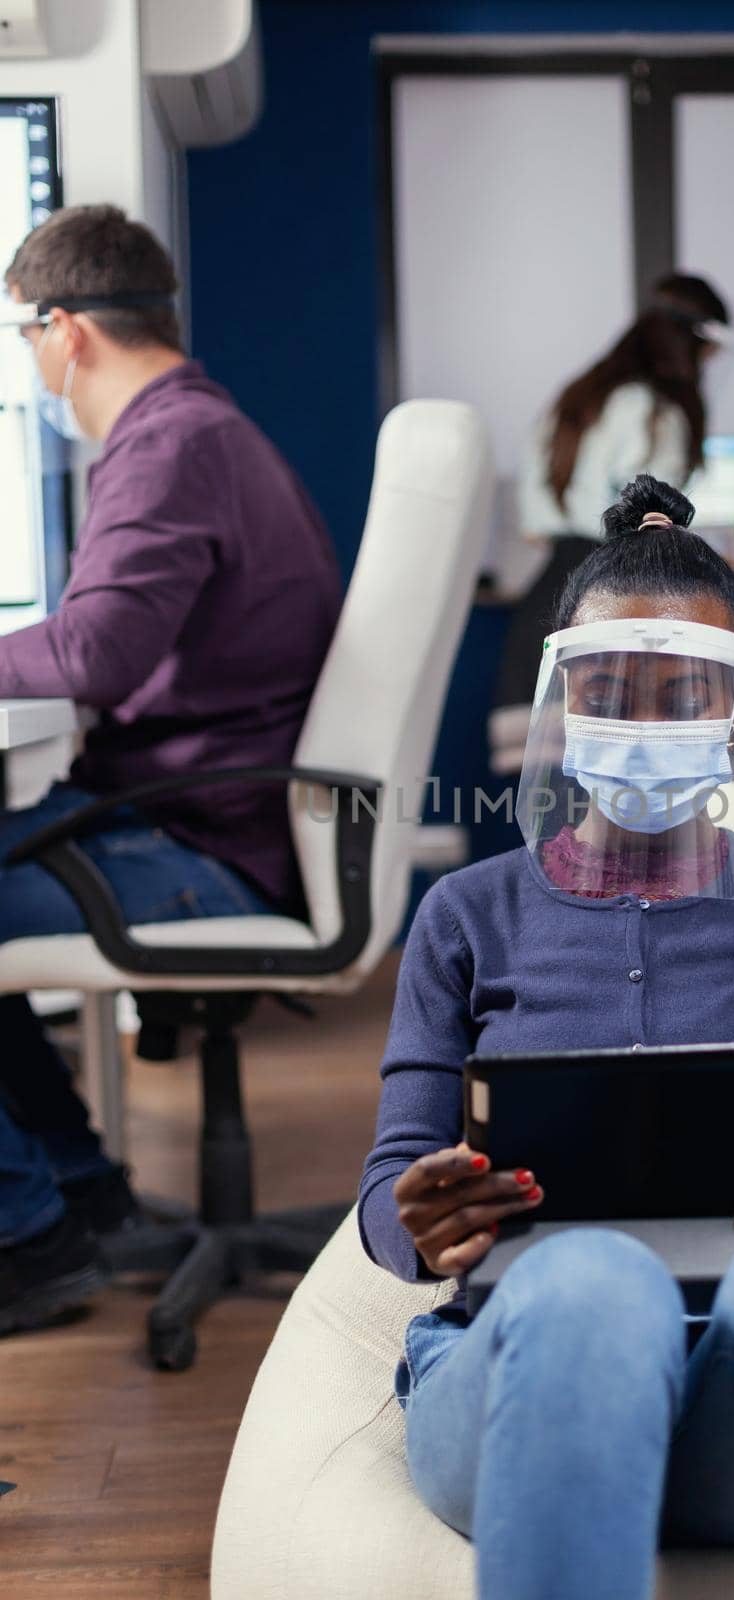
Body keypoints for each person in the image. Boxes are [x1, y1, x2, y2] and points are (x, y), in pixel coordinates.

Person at [359, 475, 734, 1600]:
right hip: (519, 1387)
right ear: (560, 693)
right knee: (591, 1281)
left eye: (683, 695)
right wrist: (421, 1226)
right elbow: (392, 1186)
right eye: (608, 691)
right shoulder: (465, 917)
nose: (642, 726)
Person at [0, 206, 341, 1334]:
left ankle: (29, 1234)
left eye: (25, 337)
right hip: (211, 818)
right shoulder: (207, 433)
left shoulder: (169, 444)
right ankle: (80, 1200)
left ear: (66, 333)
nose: (35, 365)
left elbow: (98, 650)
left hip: (204, 839)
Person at [489, 273, 732, 774]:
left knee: (554, 813)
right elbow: (655, 521)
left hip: (550, 598)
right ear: (697, 346)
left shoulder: (577, 400)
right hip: (615, 601)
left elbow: (534, 523)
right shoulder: (657, 413)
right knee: (625, 782)